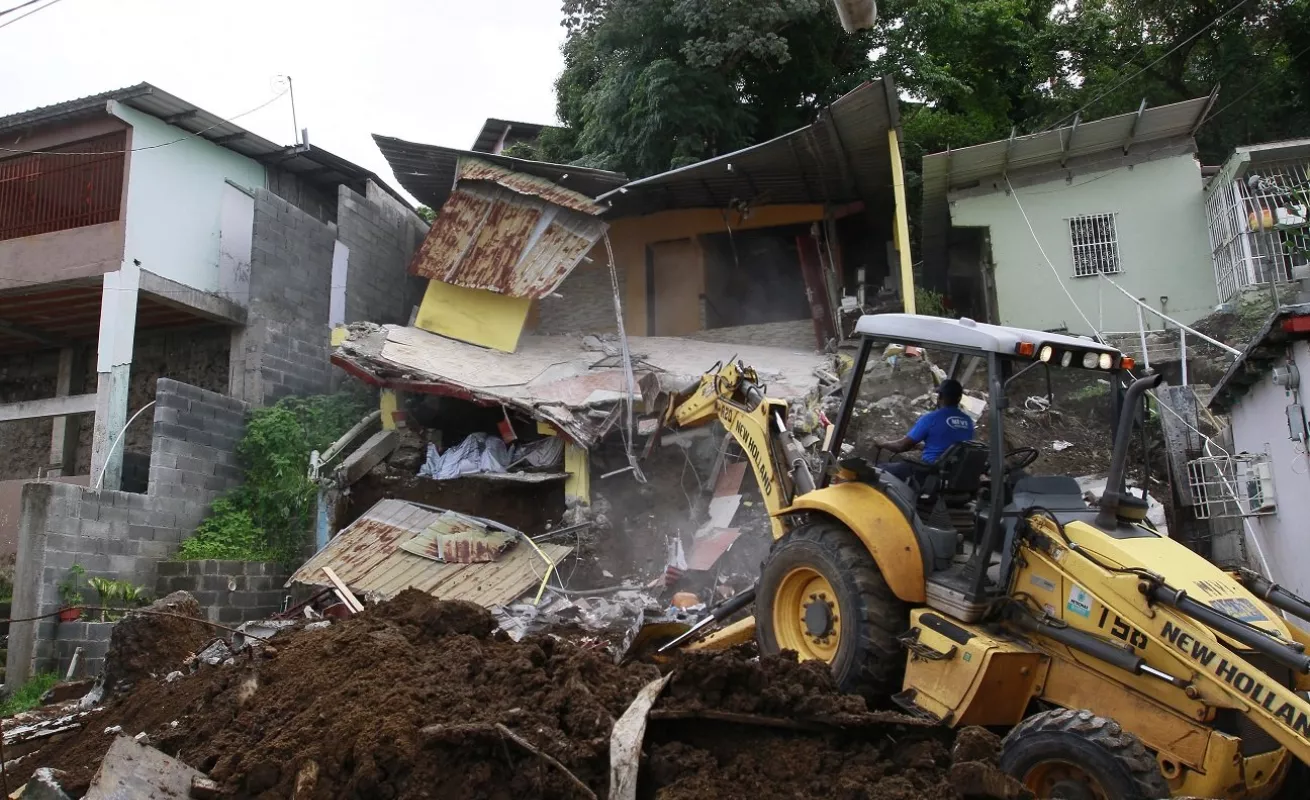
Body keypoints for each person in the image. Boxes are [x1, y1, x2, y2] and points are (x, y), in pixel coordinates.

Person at [877, 378, 974, 485]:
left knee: (880, 469)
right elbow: (952, 448)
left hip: (929, 473)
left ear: (940, 396)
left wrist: (882, 443)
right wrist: (923, 446)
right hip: (952, 475)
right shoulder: (968, 421)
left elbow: (901, 446)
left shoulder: (932, 418)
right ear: (959, 398)